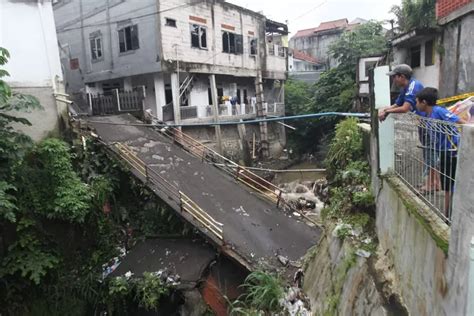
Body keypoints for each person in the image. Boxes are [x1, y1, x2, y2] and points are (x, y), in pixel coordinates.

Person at [415, 87, 466, 219]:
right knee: (447, 184)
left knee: (449, 184)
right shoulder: (429, 114)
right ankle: (448, 214)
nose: (416, 104)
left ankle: (448, 215)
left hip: (451, 151)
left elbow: (458, 120)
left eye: (417, 102)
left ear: (424, 102)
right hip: (443, 151)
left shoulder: (439, 112)